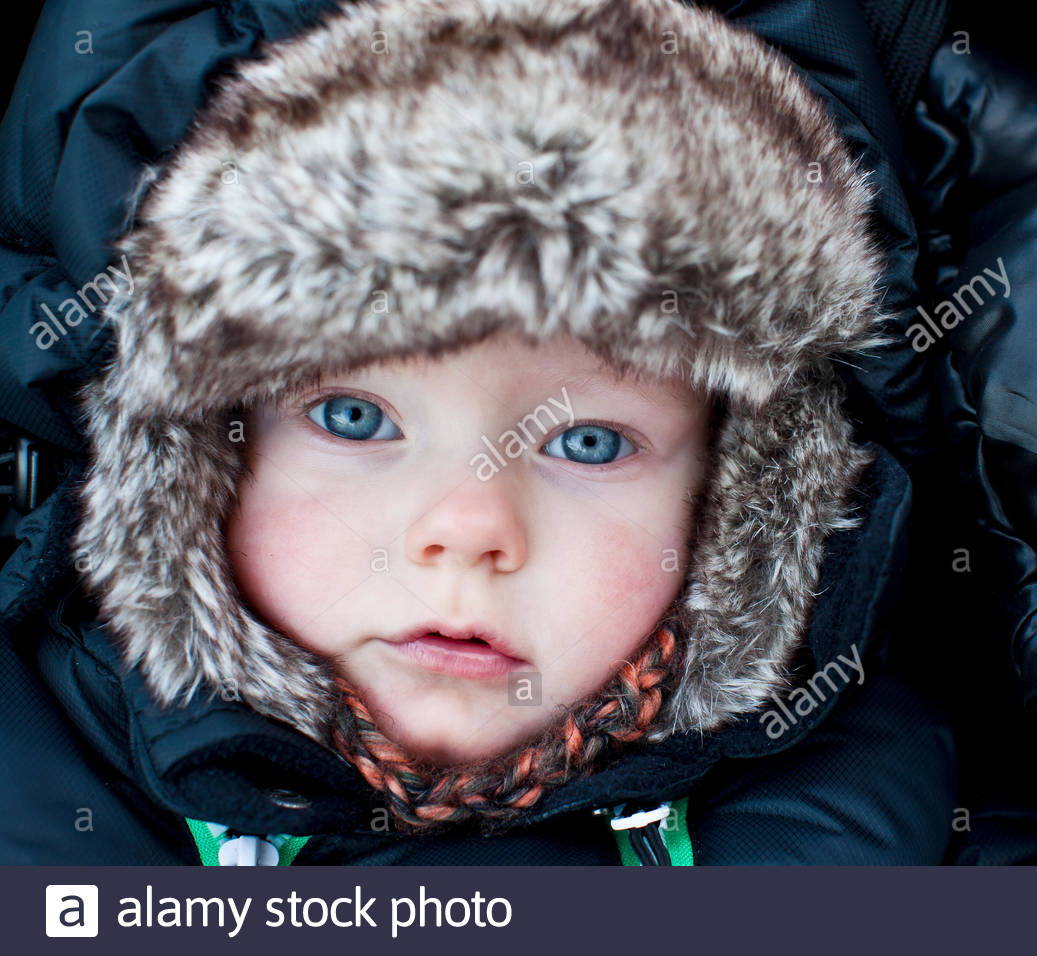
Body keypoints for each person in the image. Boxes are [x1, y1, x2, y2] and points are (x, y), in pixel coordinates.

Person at [15, 0, 957, 864]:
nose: (467, 528)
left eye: (588, 441)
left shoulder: (889, 819)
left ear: (732, 506)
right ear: (194, 458)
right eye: (354, 417)